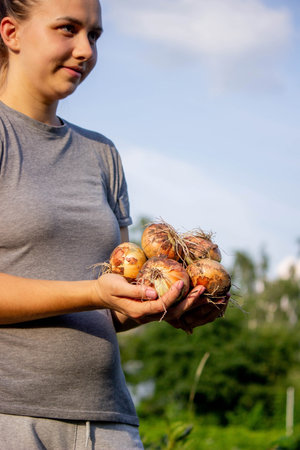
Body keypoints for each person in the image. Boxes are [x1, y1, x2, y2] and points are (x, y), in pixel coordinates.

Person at [0, 0, 228, 448]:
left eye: (95, 35)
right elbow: (95, 293)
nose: (85, 49)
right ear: (11, 33)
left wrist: (162, 303)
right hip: (11, 418)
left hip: (108, 421)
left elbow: (111, 306)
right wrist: (91, 292)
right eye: (68, 29)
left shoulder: (101, 154)